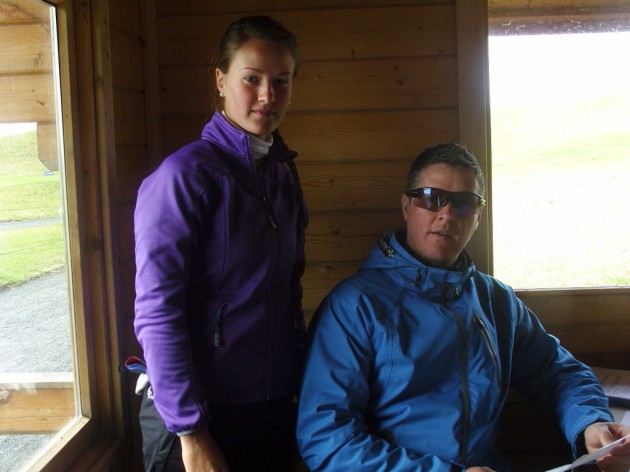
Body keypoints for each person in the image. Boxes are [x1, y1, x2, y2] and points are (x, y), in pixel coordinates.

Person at [296, 143, 630, 471]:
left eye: (464, 202)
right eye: (430, 198)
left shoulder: (495, 300)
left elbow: (557, 372)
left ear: (478, 216)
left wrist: (590, 423)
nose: (446, 214)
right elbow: (328, 440)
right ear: (406, 207)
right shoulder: (354, 306)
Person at [133, 15, 307, 472]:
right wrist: (191, 431)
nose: (267, 95)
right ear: (220, 80)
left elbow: (287, 293)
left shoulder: (281, 175)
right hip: (197, 418)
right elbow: (157, 311)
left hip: (270, 406)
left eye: (281, 81)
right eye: (252, 79)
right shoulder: (183, 177)